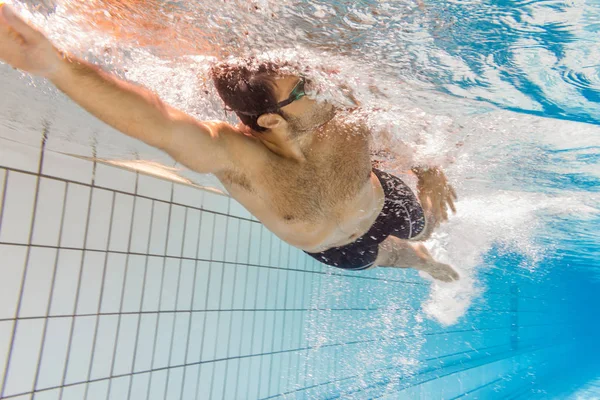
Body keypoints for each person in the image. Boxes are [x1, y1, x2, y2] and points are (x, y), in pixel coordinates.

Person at [0, 3, 459, 282]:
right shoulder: (241, 159)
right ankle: (422, 265)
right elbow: (158, 121)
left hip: (380, 202)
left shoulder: (341, 112)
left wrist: (429, 169)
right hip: (338, 249)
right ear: (268, 121)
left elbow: (402, 123)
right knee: (396, 255)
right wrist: (54, 66)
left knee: (427, 226)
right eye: (303, 88)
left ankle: (425, 245)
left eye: (311, 78)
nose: (322, 86)